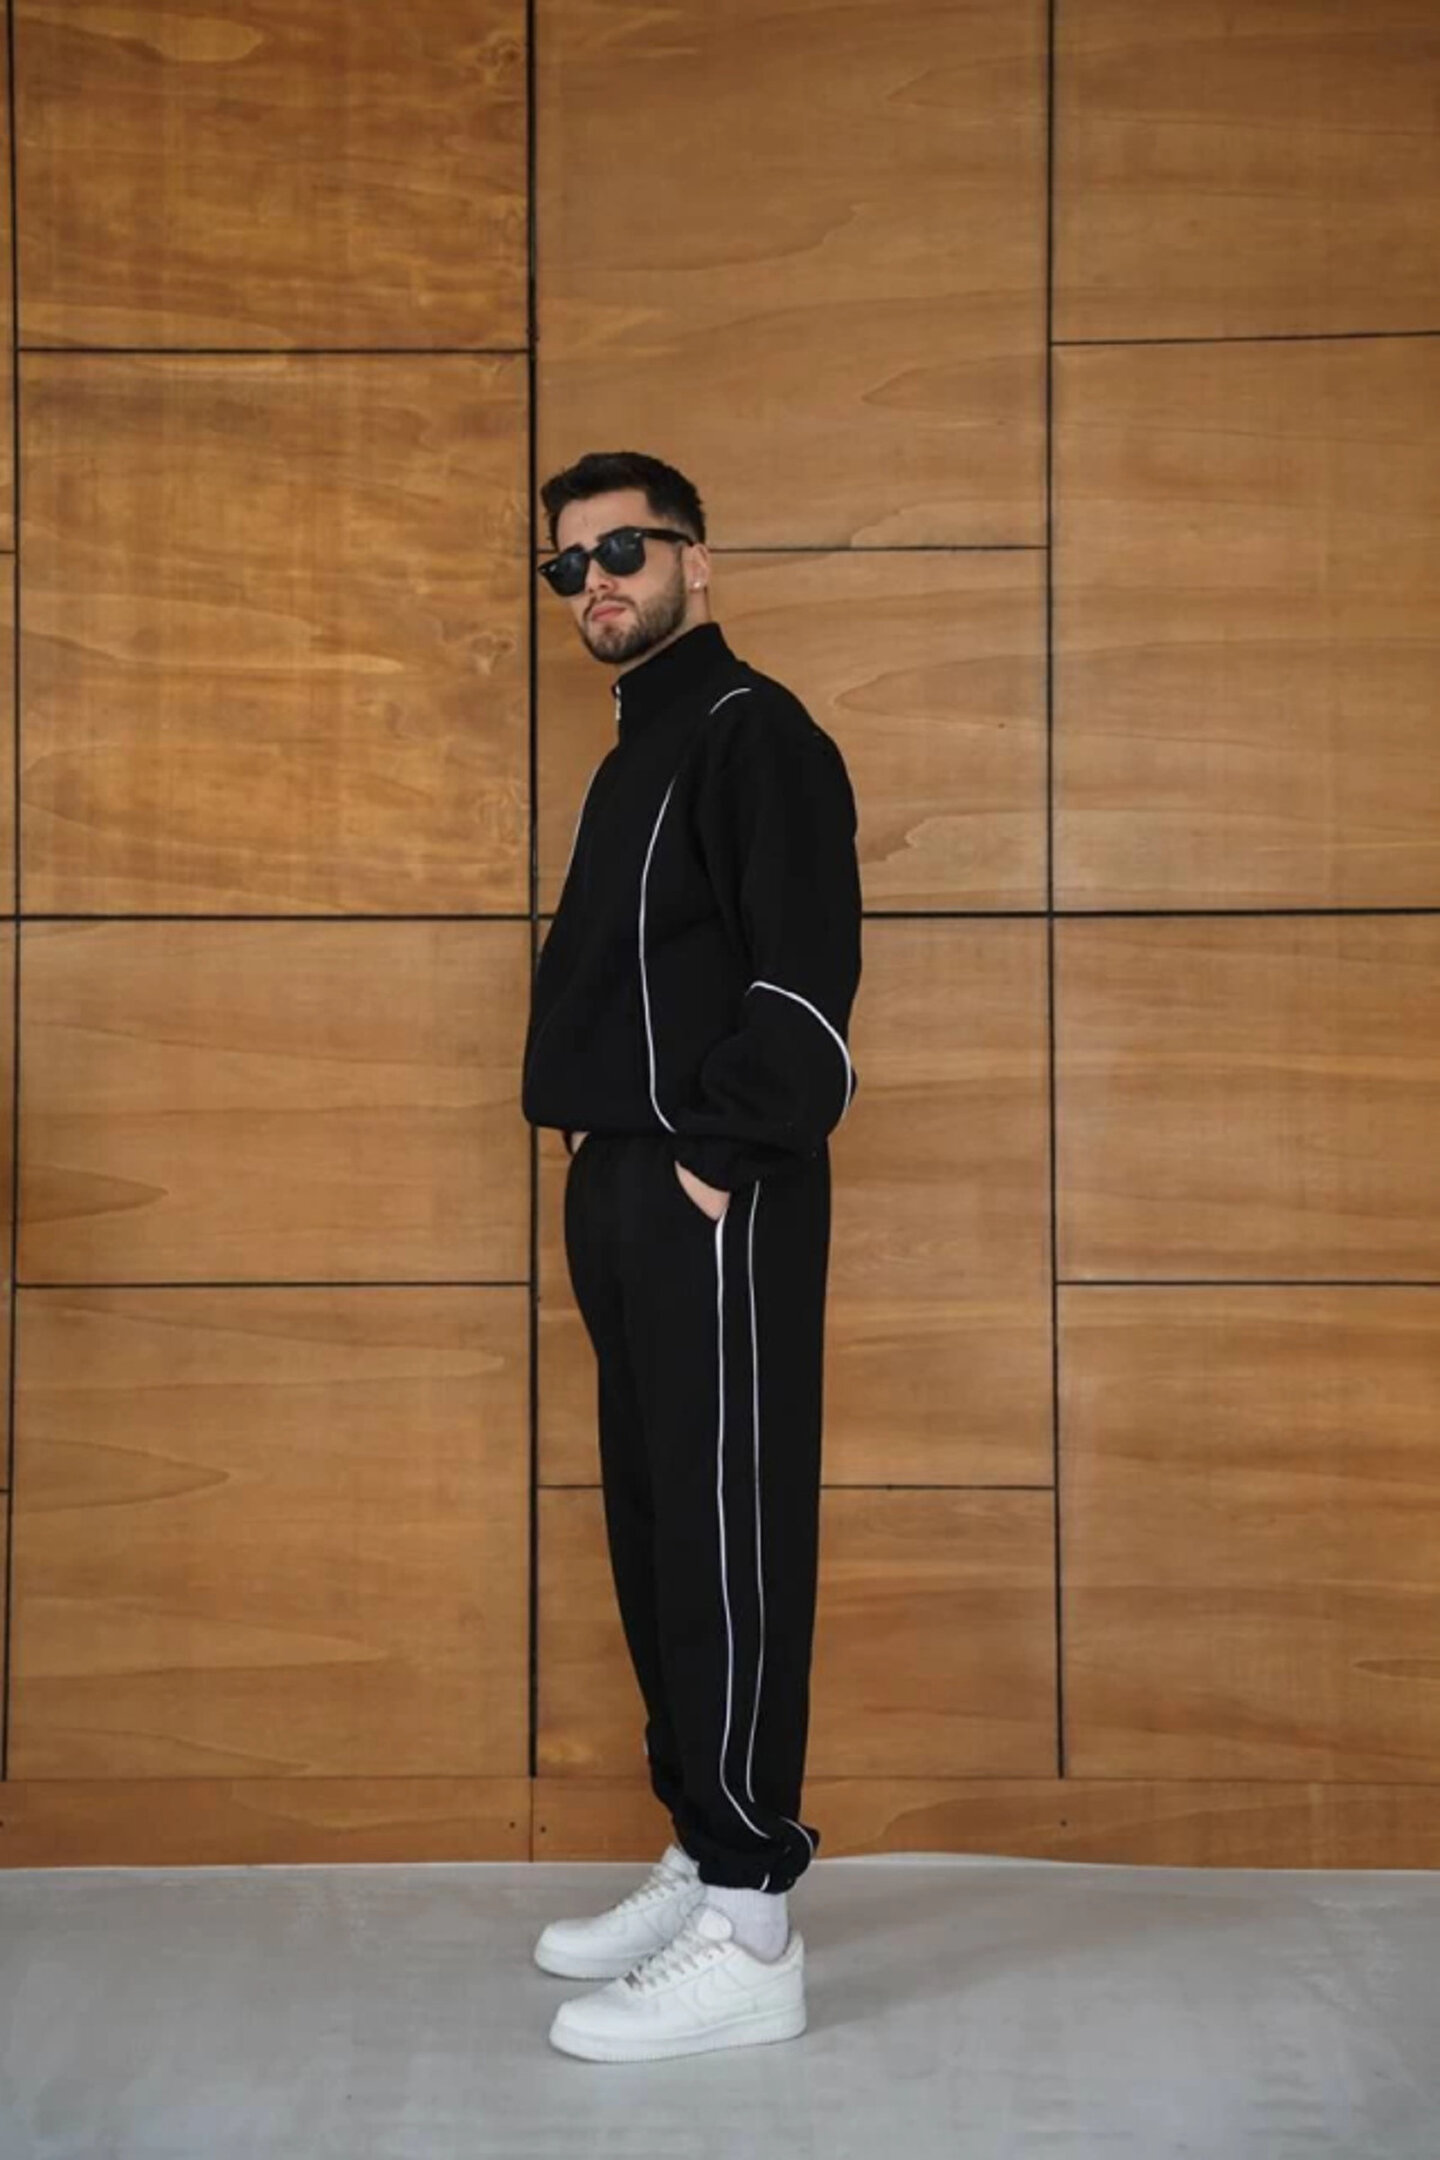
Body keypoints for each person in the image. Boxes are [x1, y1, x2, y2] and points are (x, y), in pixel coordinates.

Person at [521, 450, 863, 2062]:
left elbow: (806, 980)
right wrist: (620, 1175)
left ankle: (753, 1924)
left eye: (624, 551)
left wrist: (718, 1164)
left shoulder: (751, 732)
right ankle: (701, 1846)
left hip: (715, 1186)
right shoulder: (638, 750)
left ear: (695, 561)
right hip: (625, 1184)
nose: (595, 581)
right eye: (568, 565)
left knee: (727, 1535)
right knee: (659, 1530)